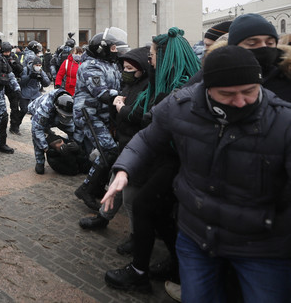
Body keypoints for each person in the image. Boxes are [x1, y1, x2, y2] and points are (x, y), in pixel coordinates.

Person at [102, 45, 291, 302]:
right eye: (227, 94)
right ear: (207, 89)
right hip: (196, 236)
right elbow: (147, 140)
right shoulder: (182, 105)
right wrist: (124, 170)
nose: (240, 101)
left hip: (260, 245)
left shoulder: (282, 121)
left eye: (249, 92)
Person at [101, 27, 202, 292]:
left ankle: (140, 271)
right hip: (166, 157)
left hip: (176, 161)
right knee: (156, 213)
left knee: (147, 207)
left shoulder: (180, 88)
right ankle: (174, 264)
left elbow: (152, 123)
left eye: (154, 55)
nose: (151, 61)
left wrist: (128, 112)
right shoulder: (170, 82)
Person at [77, 46, 150, 248]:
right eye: (124, 67)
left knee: (129, 198)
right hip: (126, 143)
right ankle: (103, 216)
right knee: (114, 184)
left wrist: (122, 109)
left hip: (138, 146)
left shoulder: (148, 87)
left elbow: (143, 116)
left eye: (129, 68)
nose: (125, 72)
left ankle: (137, 239)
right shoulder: (131, 83)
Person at [72, 28, 123, 211]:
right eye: (113, 48)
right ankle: (86, 189)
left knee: (109, 151)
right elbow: (100, 92)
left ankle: (94, 186)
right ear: (102, 49)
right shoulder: (90, 66)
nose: (115, 51)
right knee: (108, 150)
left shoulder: (110, 64)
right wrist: (124, 97)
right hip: (88, 113)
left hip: (103, 114)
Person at [27, 88, 76, 174]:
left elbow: (72, 127)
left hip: (56, 115)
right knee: (39, 138)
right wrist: (46, 148)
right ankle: (40, 162)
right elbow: (37, 130)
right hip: (39, 114)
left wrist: (75, 143)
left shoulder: (70, 103)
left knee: (74, 133)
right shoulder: (45, 108)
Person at [15, 56, 50, 134]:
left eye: (39, 65)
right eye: (36, 65)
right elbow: (20, 82)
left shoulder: (41, 71)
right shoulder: (25, 69)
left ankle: (44, 128)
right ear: (33, 65)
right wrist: (29, 77)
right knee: (24, 110)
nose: (38, 67)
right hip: (25, 93)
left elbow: (47, 83)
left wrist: (41, 78)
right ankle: (15, 125)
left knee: (41, 111)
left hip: (36, 93)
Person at [1, 42, 24, 135]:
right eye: (5, 52)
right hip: (1, 84)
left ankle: (14, 127)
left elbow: (21, 69)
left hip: (12, 85)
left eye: (8, 52)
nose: (7, 54)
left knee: (15, 107)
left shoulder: (13, 57)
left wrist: (13, 64)